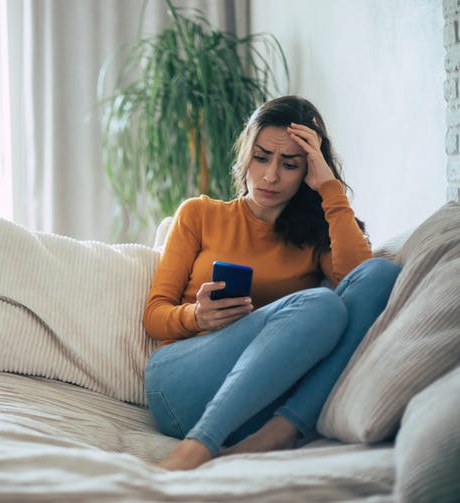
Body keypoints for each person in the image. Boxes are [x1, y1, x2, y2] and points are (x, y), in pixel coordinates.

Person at [143, 95, 401, 471]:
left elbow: (361, 279)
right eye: (262, 157)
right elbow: (154, 314)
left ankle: (281, 431)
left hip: (258, 410)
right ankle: (197, 446)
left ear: (308, 169)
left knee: (382, 274)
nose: (270, 176)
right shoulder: (200, 214)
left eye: (290, 164)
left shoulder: (315, 237)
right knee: (319, 303)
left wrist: (329, 188)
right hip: (182, 384)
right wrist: (197, 317)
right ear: (246, 154)